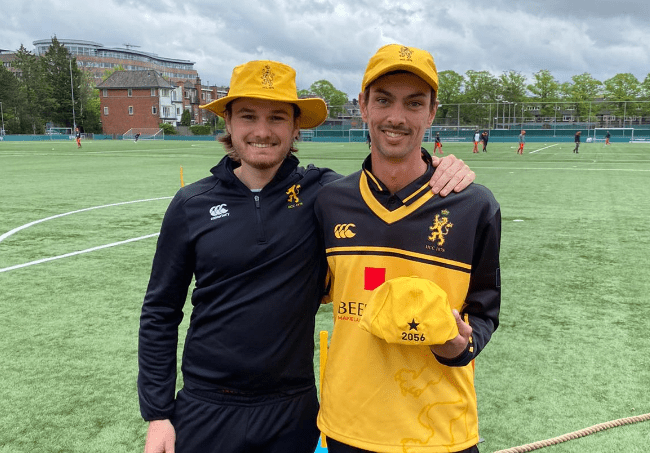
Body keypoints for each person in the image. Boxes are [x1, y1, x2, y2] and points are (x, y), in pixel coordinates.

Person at [138, 59, 476, 453]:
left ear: (296, 126)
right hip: (206, 405)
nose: (262, 131)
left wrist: (443, 167)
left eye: (277, 118)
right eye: (248, 116)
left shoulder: (327, 195)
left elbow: (390, 188)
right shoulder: (191, 203)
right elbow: (160, 311)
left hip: (292, 410)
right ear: (228, 122)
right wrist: (158, 414)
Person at [315, 43, 501, 453]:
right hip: (349, 424)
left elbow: (485, 311)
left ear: (432, 113)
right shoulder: (329, 202)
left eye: (414, 103)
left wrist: (462, 345)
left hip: (440, 431)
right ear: (363, 106)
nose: (396, 117)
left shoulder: (474, 205)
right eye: (383, 100)